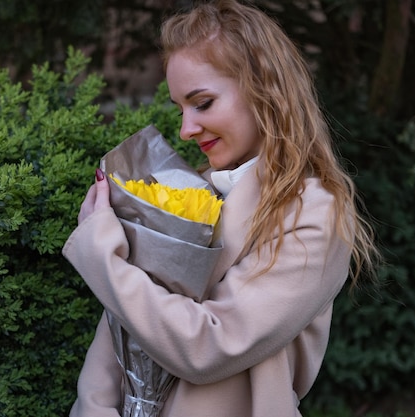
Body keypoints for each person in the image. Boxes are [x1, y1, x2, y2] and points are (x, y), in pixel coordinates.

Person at [62, 1, 380, 416]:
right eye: (181, 108)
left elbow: (209, 347)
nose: (185, 129)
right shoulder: (190, 195)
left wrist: (101, 255)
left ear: (265, 88)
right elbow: (119, 337)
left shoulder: (315, 213)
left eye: (203, 103)